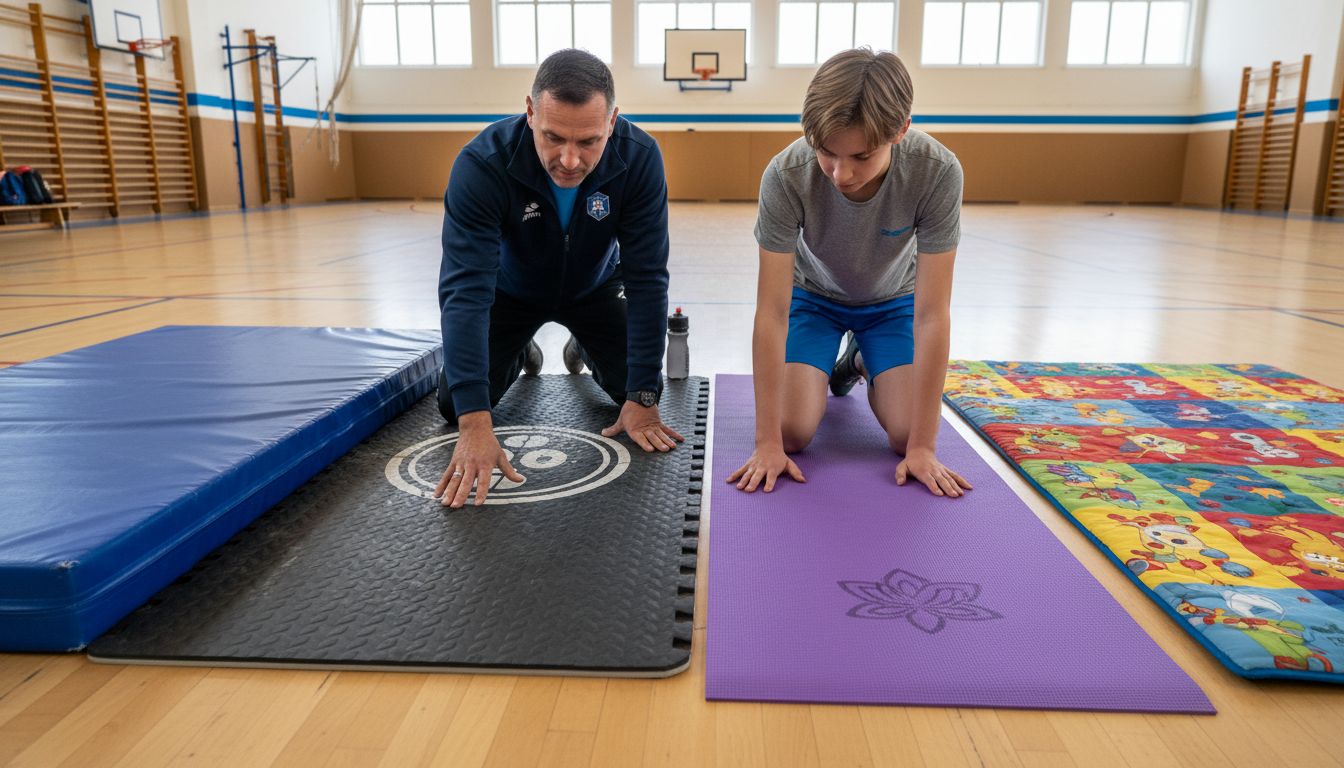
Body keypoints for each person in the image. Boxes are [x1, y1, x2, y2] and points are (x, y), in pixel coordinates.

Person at [435, 48, 683, 509]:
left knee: (635, 392)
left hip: (594, 291)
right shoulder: (482, 164)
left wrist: (644, 394)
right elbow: (464, 291)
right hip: (509, 295)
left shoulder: (640, 157)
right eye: (552, 137)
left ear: (612, 121)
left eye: (588, 141)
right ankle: (520, 348)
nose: (569, 159)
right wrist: (474, 423)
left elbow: (648, 278)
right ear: (530, 112)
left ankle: (581, 344)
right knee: (455, 403)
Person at [728, 48, 973, 499]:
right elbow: (771, 313)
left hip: (893, 302)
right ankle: (837, 363)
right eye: (826, 153)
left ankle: (859, 359)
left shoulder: (937, 172)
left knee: (902, 435)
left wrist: (923, 446)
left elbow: (933, 315)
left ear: (900, 129)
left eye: (861, 156)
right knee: (793, 431)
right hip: (813, 298)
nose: (841, 174)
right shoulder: (786, 174)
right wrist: (768, 444)